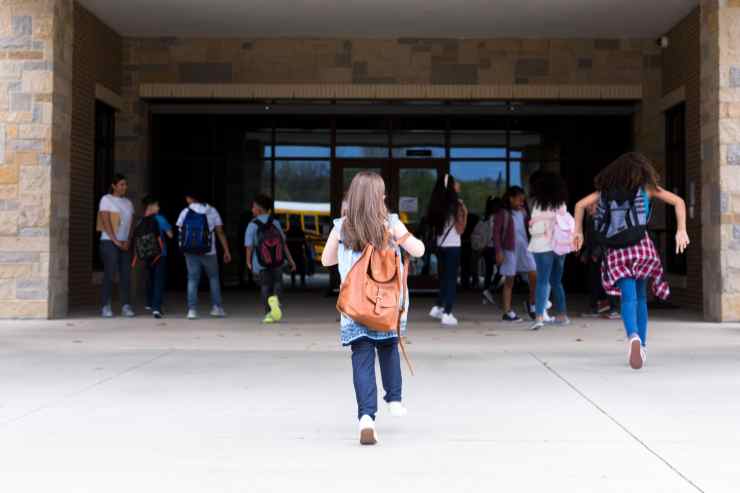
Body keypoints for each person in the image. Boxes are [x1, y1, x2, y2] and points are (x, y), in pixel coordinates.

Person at [321, 171, 425, 446]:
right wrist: (399, 238)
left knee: (362, 359)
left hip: (355, 307)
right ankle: (394, 398)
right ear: (378, 198)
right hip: (387, 305)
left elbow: (326, 261)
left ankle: (366, 418)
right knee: (389, 348)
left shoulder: (341, 227)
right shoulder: (391, 223)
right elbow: (419, 251)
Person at [574, 152, 689, 370]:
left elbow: (580, 205)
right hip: (641, 246)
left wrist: (577, 231)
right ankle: (642, 345)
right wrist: (681, 230)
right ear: (642, 170)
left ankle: (633, 337)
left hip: (617, 249)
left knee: (628, 297)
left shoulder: (605, 192)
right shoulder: (646, 188)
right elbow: (678, 202)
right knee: (641, 298)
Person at [176, 192, 232, 320]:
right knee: (213, 277)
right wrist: (226, 251)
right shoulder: (212, 211)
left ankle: (192, 310)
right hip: (209, 250)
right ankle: (216, 308)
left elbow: (180, 230)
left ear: (191, 197)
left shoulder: (185, 211)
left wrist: (182, 248)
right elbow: (220, 232)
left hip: (190, 251)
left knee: (192, 279)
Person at [527, 173, 570, 330]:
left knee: (542, 281)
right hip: (559, 246)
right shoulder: (561, 204)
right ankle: (562, 315)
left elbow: (533, 226)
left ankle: (539, 316)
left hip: (541, 245)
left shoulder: (537, 204)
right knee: (557, 282)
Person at [245, 194, 297, 323]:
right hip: (277, 261)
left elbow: (249, 246)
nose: (252, 210)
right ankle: (276, 301)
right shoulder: (275, 223)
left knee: (265, 286)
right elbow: (283, 244)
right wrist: (291, 260)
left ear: (258, 208)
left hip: (261, 262)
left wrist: (248, 261)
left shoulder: (252, 224)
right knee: (278, 283)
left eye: (253, 207)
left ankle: (268, 313)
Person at [426, 173, 468, 326]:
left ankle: (438, 306)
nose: (458, 184)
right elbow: (460, 229)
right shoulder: (456, 204)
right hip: (453, 246)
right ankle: (447, 312)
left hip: (440, 246)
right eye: (455, 182)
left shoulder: (436, 204)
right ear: (450, 185)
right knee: (451, 280)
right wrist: (464, 210)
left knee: (444, 278)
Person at [494, 186, 537, 322]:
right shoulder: (503, 213)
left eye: (523, 201)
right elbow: (496, 233)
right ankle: (507, 312)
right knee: (509, 280)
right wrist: (498, 251)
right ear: (510, 199)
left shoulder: (524, 213)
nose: (521, 203)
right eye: (519, 200)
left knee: (534, 273)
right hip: (509, 250)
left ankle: (532, 304)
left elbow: (530, 228)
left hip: (525, 248)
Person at [97, 174, 136, 318]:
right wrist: (115, 240)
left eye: (125, 184)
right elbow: (105, 221)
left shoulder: (128, 203)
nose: (124, 187)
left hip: (125, 243)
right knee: (110, 273)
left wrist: (128, 240)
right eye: (121, 184)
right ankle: (105, 306)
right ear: (114, 186)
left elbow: (131, 223)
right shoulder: (106, 200)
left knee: (126, 274)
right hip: (109, 242)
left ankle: (126, 306)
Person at [580, 202, 619, 319]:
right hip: (593, 254)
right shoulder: (590, 219)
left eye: (592, 206)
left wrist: (597, 252)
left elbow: (604, 237)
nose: (589, 208)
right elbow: (589, 238)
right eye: (588, 206)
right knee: (594, 282)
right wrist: (586, 253)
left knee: (606, 281)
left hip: (603, 254)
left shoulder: (602, 219)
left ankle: (613, 308)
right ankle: (594, 308)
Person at [140, 196, 173, 319]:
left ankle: (149, 303)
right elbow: (170, 235)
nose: (158, 208)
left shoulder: (141, 220)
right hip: (160, 254)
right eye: (157, 205)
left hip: (147, 254)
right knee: (159, 281)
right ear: (151, 206)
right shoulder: (160, 219)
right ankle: (156, 308)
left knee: (150, 279)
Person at [480, 196, 503, 305]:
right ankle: (489, 290)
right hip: (493, 247)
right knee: (500, 270)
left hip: (487, 248)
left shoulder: (486, 218)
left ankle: (486, 292)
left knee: (489, 271)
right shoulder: (496, 218)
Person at [286, 217, 308, 289]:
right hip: (298, 252)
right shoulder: (300, 231)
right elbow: (304, 243)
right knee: (301, 267)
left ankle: (295, 282)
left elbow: (286, 243)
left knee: (294, 267)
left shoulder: (289, 231)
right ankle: (302, 282)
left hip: (293, 252)